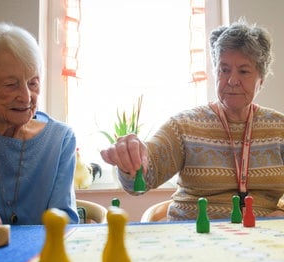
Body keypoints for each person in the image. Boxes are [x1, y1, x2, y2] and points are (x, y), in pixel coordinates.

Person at [101, 19, 284, 221]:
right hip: (194, 236)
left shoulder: (279, 128)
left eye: (243, 71)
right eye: (224, 70)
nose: (232, 80)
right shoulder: (184, 125)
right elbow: (145, 176)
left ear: (261, 80)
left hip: (261, 240)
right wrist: (132, 160)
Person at [0, 23, 79, 239]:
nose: (26, 97)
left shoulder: (60, 139)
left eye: (33, 83)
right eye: (10, 85)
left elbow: (65, 224)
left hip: (38, 261)